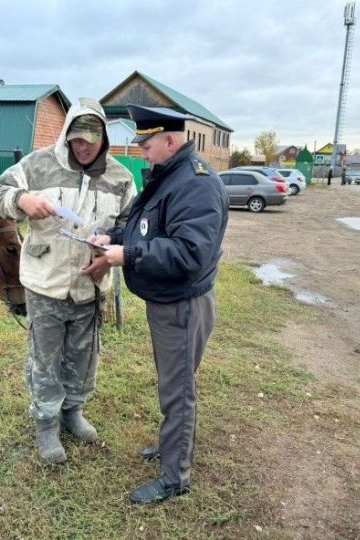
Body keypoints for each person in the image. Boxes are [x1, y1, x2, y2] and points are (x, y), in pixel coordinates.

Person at [83, 105, 229, 503]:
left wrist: (126, 255)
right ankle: (171, 448)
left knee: (177, 390)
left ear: (169, 140)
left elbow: (188, 253)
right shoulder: (170, 176)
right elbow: (146, 227)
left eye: (146, 145)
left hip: (181, 305)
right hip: (168, 301)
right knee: (173, 384)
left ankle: (174, 476)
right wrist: (114, 237)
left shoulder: (195, 184)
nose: (142, 152)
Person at [0, 98, 136, 464]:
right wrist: (22, 199)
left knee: (83, 357)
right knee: (46, 358)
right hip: (46, 284)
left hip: (90, 287)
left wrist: (111, 254)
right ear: (67, 135)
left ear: (103, 137)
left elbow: (130, 227)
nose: (83, 146)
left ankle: (72, 411)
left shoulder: (120, 178)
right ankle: (46, 422)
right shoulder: (37, 164)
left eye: (91, 139)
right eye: (76, 139)